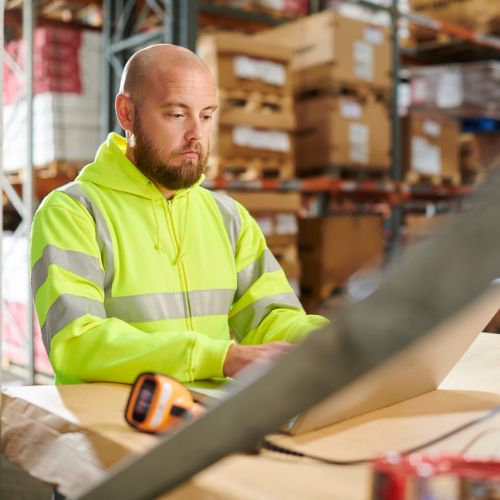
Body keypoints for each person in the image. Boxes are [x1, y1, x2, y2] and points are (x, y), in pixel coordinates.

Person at [29, 44, 328, 385]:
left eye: (206, 116)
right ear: (126, 113)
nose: (196, 135)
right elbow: (77, 344)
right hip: (116, 427)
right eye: (176, 115)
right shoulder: (74, 213)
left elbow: (271, 320)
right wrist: (218, 357)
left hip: (205, 424)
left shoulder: (228, 217)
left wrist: (330, 340)